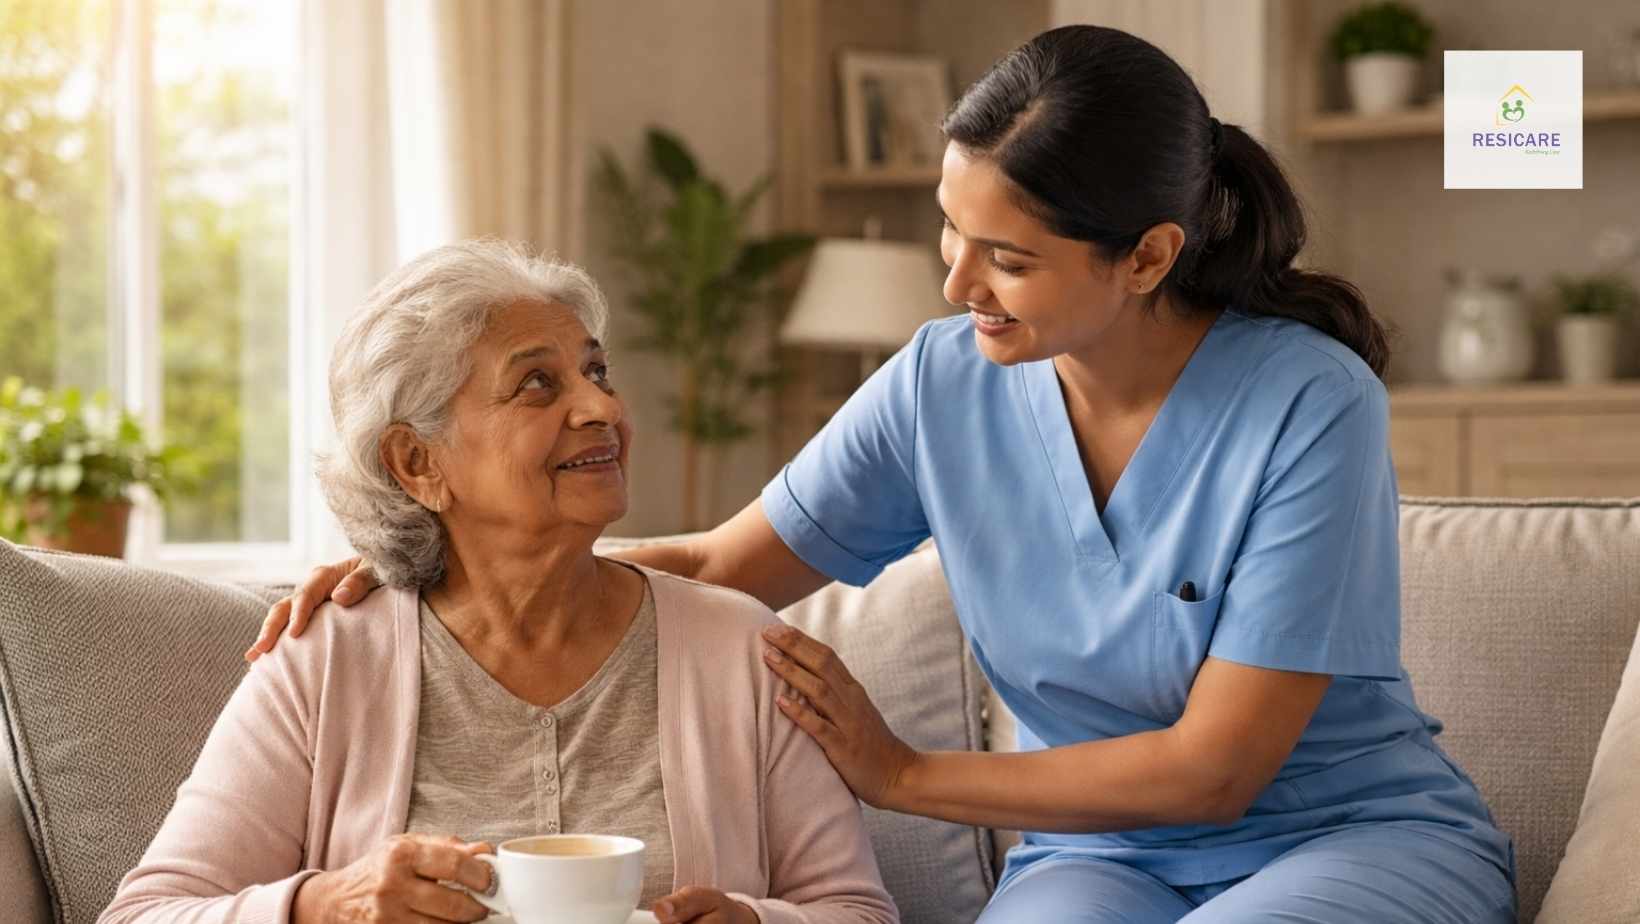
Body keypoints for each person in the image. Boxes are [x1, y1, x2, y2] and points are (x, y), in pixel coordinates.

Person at [254, 26, 1516, 923]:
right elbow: (712, 567)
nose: (957, 285)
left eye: (1006, 260)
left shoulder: (1307, 402)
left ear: (1145, 257)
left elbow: (1214, 770)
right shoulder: (940, 380)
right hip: (1099, 861)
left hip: (1343, 840)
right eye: (947, 231)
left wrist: (900, 773)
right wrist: (429, 565)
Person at [103, 241, 897, 924]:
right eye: (538, 384)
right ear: (418, 464)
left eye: (597, 371)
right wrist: (325, 905)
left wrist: (757, 920)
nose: (601, 408)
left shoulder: (738, 650)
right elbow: (145, 912)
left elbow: (858, 909)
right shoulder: (327, 660)